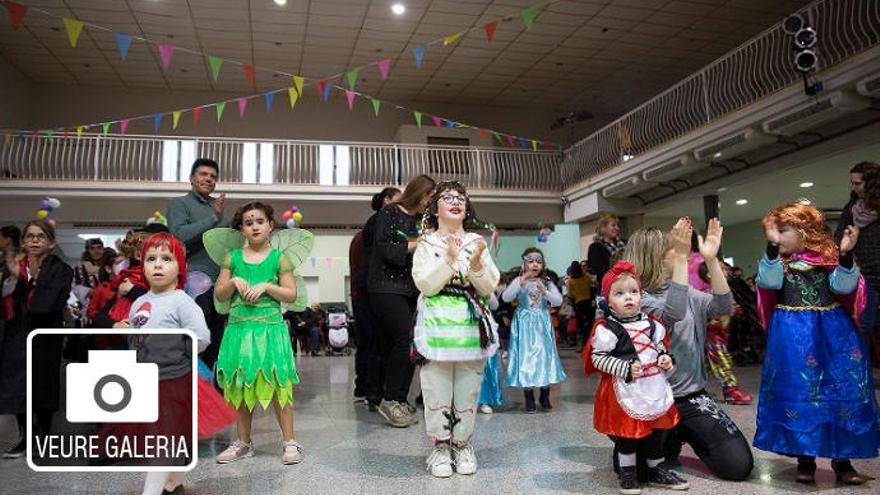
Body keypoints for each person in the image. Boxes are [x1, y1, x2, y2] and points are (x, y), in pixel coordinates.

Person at [754, 203, 878, 484]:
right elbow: (768, 282)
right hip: (792, 336)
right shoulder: (776, 262)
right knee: (799, 391)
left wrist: (846, 254)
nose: (776, 236)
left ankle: (842, 459)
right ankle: (805, 457)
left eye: (782, 231)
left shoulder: (828, 258)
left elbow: (845, 287)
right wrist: (772, 247)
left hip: (832, 335)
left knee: (837, 388)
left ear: (804, 231)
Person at [623, 218, 753, 481]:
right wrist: (683, 260)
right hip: (652, 401)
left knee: (738, 466)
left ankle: (681, 432)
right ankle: (670, 439)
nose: (682, 252)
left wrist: (712, 261)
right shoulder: (634, 300)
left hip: (691, 398)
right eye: (674, 249)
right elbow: (672, 313)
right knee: (636, 471)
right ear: (655, 257)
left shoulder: (686, 291)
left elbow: (723, 308)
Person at [114, 232, 236, 495]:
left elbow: (202, 337)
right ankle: (174, 483)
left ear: (180, 266)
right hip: (148, 380)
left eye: (166, 259)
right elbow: (136, 337)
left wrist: (179, 350)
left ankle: (153, 490)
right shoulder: (138, 302)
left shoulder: (181, 301)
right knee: (167, 437)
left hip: (175, 381)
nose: (157, 264)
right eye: (151, 259)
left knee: (164, 439)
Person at [411, 181, 500, 477]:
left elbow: (489, 285)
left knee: (468, 388)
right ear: (434, 207)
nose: (455, 201)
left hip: (470, 324)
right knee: (436, 388)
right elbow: (425, 284)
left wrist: (476, 264)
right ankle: (440, 447)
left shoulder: (477, 241)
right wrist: (449, 261)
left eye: (460, 197)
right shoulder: (426, 243)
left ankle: (463, 445)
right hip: (436, 326)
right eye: (447, 197)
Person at [210, 202, 307, 465]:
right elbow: (219, 294)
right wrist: (232, 282)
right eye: (248, 222)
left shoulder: (279, 258)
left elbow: (291, 293)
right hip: (239, 330)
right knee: (241, 385)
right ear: (241, 228)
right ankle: (243, 442)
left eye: (260, 221)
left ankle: (290, 441)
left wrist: (266, 286)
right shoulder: (232, 257)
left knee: (278, 385)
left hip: (270, 330)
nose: (254, 226)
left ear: (270, 225)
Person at [585, 261, 688, 494]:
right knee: (626, 436)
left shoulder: (652, 325)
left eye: (634, 292)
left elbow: (660, 347)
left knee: (655, 432)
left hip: (653, 387)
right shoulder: (607, 329)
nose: (628, 297)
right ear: (608, 300)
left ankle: (656, 470)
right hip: (625, 391)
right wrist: (623, 367)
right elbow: (597, 358)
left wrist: (665, 358)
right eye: (619, 293)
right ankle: (628, 474)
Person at [0, 220, 73, 458]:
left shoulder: (61, 270)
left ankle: (44, 438)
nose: (34, 240)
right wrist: (14, 278)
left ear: (51, 242)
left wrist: (23, 280)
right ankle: (25, 438)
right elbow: (6, 301)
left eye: (40, 236)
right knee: (18, 388)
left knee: (42, 388)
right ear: (22, 241)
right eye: (29, 236)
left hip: (44, 337)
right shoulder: (13, 267)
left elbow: (45, 305)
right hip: (17, 336)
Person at [368, 174, 436, 427]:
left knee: (412, 343)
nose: (429, 204)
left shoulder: (420, 220)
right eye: (429, 198)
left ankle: (398, 397)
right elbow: (385, 247)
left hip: (409, 289)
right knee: (405, 338)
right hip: (385, 287)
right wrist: (418, 243)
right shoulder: (390, 213)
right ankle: (389, 399)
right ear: (420, 192)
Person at [167, 157, 228, 368]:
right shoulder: (180, 204)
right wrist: (213, 219)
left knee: (215, 345)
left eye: (213, 176)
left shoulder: (218, 208)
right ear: (192, 179)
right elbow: (178, 236)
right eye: (203, 174)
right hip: (194, 285)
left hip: (221, 287)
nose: (208, 179)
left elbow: (227, 243)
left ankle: (209, 396)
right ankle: (192, 394)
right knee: (195, 343)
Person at [351, 187, 401, 405]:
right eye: (398, 201)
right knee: (374, 343)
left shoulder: (367, 229)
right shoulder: (379, 223)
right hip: (369, 291)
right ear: (386, 200)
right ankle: (372, 390)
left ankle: (366, 389)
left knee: (369, 343)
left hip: (365, 291)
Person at [503, 247, 566, 413]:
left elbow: (558, 301)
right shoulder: (519, 281)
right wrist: (520, 284)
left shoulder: (546, 282)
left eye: (538, 261)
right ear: (523, 263)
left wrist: (545, 292)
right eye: (530, 261)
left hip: (542, 324)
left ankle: (545, 394)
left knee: (544, 356)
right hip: (524, 324)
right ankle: (528, 395)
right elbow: (505, 297)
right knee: (526, 357)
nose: (534, 265)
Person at [690, 257, 752, 405]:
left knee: (710, 363)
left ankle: (696, 390)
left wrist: (735, 310)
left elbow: (732, 310)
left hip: (722, 333)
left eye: (725, 268)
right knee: (722, 361)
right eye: (721, 268)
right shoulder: (707, 293)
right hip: (712, 334)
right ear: (710, 275)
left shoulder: (724, 290)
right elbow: (707, 314)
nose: (726, 271)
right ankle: (731, 391)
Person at [834, 162, 880, 341]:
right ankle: (859, 367)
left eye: (858, 183)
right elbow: (838, 236)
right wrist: (844, 240)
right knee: (863, 324)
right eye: (852, 183)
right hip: (866, 275)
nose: (854, 187)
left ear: (872, 183)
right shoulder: (852, 206)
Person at [71, 237, 106, 326]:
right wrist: (88, 291)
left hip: (109, 309)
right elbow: (74, 286)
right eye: (92, 249)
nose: (96, 251)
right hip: (88, 309)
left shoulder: (109, 267)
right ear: (88, 251)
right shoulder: (79, 269)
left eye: (99, 248)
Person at [588, 214, 627, 286]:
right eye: (613, 225)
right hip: (609, 286)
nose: (617, 228)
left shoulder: (625, 243)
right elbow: (598, 270)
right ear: (603, 228)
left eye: (618, 226)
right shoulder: (595, 247)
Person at [567, 260, 594, 348]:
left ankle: (582, 344)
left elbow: (570, 294)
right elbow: (594, 283)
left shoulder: (570, 281)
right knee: (590, 323)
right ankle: (590, 341)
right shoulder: (586, 276)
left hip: (578, 304)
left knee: (580, 324)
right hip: (588, 302)